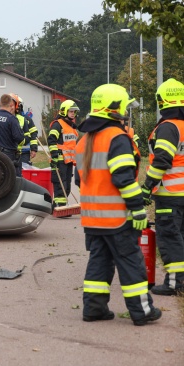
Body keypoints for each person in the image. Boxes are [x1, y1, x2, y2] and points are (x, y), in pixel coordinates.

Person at [75, 83, 161, 326]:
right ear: (115, 108)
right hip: (117, 218)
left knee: (99, 263)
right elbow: (123, 179)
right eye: (124, 107)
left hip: (92, 219)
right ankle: (142, 311)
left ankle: (94, 309)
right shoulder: (117, 138)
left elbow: (79, 180)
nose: (126, 112)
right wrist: (137, 209)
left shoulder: (85, 140)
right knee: (131, 263)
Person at [141, 78, 184, 296]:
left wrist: (147, 187)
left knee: (170, 238)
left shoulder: (168, 127)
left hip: (170, 194)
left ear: (162, 101)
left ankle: (175, 284)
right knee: (181, 237)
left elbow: (162, 161)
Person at [48, 100, 79, 208]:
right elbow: (51, 140)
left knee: (67, 186)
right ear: (64, 111)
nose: (73, 113)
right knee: (60, 184)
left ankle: (62, 205)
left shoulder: (72, 126)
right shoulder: (57, 125)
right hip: (59, 160)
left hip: (69, 161)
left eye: (74, 112)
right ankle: (59, 206)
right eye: (71, 111)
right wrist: (54, 156)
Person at [16, 96, 38, 167]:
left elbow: (33, 135)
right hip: (10, 152)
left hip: (24, 152)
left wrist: (33, 149)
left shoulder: (27, 119)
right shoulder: (9, 118)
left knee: (24, 171)